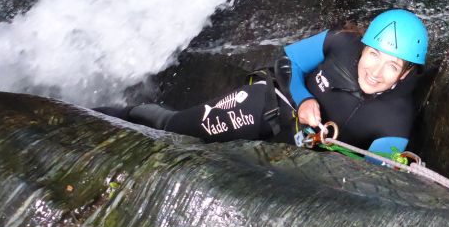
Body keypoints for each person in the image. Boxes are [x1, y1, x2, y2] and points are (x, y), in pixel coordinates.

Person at [96, 9, 428, 156]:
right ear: (364, 46)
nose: (375, 71)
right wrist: (303, 100)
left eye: (392, 65)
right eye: (373, 55)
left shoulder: (394, 123)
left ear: (406, 73)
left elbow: (372, 179)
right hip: (262, 108)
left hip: (303, 156)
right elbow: (287, 59)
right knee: (175, 127)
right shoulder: (340, 43)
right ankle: (111, 114)